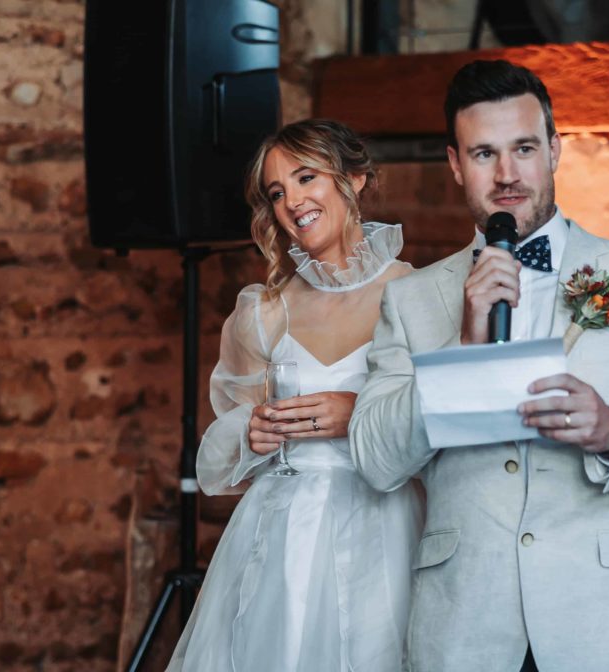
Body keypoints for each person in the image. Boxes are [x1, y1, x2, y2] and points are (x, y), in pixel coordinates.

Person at [349, 60, 609, 671]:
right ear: (455, 164)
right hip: (465, 627)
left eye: (523, 148)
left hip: (602, 623)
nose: (506, 174)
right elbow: (375, 460)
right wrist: (460, 355)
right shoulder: (412, 299)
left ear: (554, 149)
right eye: (484, 154)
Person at [167, 119, 423, 672]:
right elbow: (227, 435)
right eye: (277, 192)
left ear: (354, 180)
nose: (292, 202)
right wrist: (252, 431)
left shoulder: (422, 296)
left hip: (386, 530)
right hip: (281, 535)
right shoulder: (261, 312)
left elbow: (450, 428)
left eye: (307, 177)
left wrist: (363, 416)